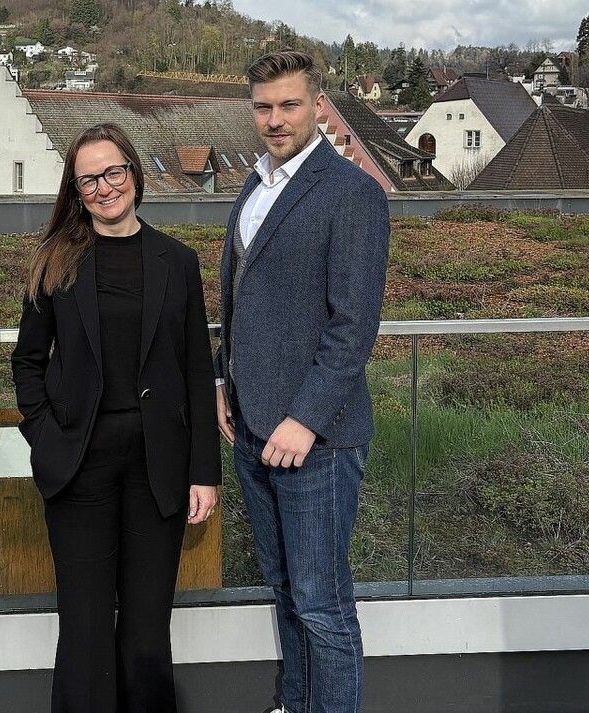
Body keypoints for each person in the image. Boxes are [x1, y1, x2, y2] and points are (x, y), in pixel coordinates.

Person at [11, 123, 221, 713]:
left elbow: (196, 371)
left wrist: (205, 471)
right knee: (84, 631)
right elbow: (28, 363)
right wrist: (45, 435)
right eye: (89, 180)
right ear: (75, 192)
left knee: (148, 631)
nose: (104, 188)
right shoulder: (55, 261)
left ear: (133, 173)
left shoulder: (177, 262)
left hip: (158, 468)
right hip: (78, 467)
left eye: (113, 173)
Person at [213, 50, 390, 713]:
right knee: (285, 590)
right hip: (254, 428)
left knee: (322, 602)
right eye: (264, 106)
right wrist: (222, 382)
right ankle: (294, 701)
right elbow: (237, 298)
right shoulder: (255, 185)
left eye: (289, 104)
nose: (275, 119)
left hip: (317, 440)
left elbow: (353, 326)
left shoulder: (353, 193)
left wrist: (306, 418)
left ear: (319, 105)